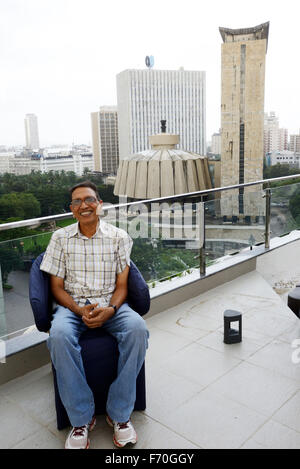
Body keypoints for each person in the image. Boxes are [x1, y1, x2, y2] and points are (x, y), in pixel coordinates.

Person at [40, 181, 149, 449]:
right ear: (72, 210)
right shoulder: (60, 239)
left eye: (89, 199)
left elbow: (122, 285)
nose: (84, 205)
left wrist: (110, 309)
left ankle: (119, 414)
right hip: (73, 306)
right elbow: (56, 288)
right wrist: (79, 309)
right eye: (77, 202)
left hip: (111, 304)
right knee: (59, 336)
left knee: (138, 329)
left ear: (100, 204)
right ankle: (81, 418)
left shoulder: (119, 237)